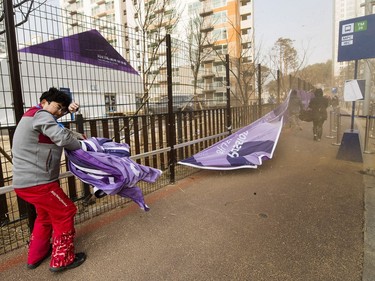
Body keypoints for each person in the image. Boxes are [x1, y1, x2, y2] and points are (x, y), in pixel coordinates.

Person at [12, 87, 86, 272]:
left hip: (27, 183)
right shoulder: (42, 115)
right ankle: (62, 260)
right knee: (65, 211)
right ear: (44, 102)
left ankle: (36, 255)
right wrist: (83, 145)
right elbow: (61, 136)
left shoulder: (35, 115)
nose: (60, 112)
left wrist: (67, 113)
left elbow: (55, 126)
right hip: (39, 183)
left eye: (63, 109)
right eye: (58, 107)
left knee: (44, 216)